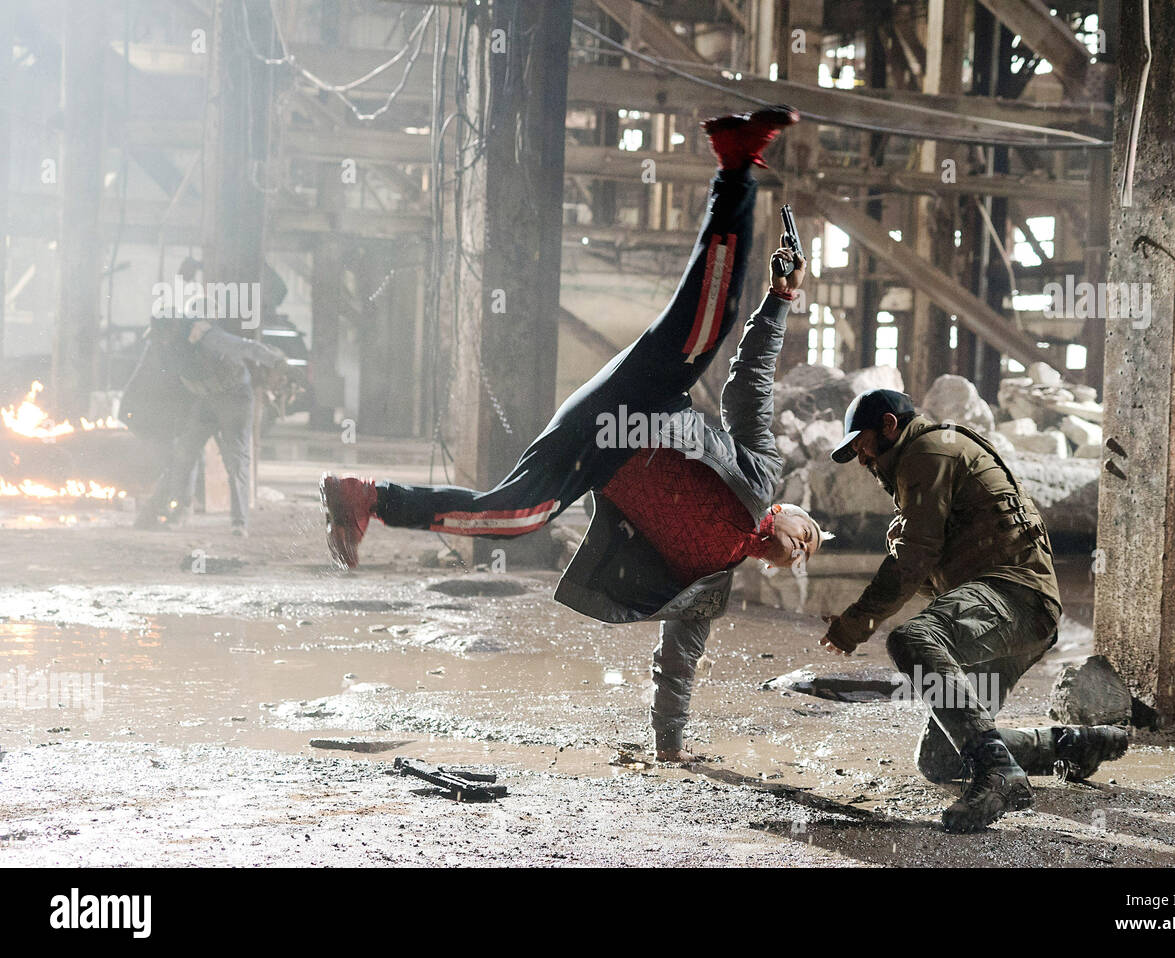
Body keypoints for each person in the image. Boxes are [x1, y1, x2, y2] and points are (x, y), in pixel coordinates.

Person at [322, 106, 829, 762]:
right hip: (642, 400)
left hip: (592, 451)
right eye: (809, 534)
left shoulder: (708, 587)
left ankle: (368, 497)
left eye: (809, 554)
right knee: (707, 326)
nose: (804, 549)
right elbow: (750, 381)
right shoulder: (760, 472)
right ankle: (735, 166)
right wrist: (781, 301)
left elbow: (678, 666)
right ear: (787, 512)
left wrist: (670, 750)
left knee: (515, 519)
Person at [819, 389, 1128, 832]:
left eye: (862, 445)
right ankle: (1072, 744)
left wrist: (854, 625)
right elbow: (935, 576)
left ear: (889, 425)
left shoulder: (925, 451)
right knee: (941, 759)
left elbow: (914, 558)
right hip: (1014, 613)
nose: (863, 460)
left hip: (1014, 599)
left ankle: (1000, 775)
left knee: (911, 638)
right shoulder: (930, 459)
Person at [134, 307, 287, 536]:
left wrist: (277, 361)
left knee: (236, 459)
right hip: (205, 399)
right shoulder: (167, 344)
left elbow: (246, 347)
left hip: (234, 397)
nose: (161, 341)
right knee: (185, 452)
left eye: (163, 334)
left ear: (174, 328)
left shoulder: (205, 336)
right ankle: (180, 513)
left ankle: (239, 523)